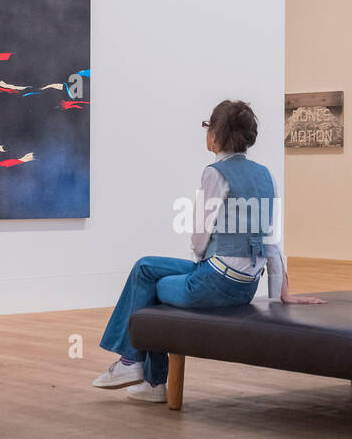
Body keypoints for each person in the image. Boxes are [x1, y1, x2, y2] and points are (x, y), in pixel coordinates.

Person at [94, 99, 325, 403]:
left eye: (208, 126)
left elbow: (200, 236)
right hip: (245, 287)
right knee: (145, 267)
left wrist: (200, 266)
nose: (206, 133)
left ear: (217, 133)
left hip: (215, 282)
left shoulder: (215, 173)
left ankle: (134, 366)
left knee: (150, 281)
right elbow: (272, 242)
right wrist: (277, 295)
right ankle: (148, 381)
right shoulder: (266, 175)